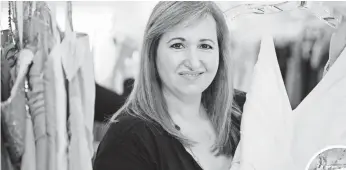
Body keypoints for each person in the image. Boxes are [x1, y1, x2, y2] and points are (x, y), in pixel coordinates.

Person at [93, 2, 246, 170]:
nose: (194, 63)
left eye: (205, 46)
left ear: (220, 53)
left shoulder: (243, 110)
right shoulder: (127, 141)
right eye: (177, 45)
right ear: (153, 53)